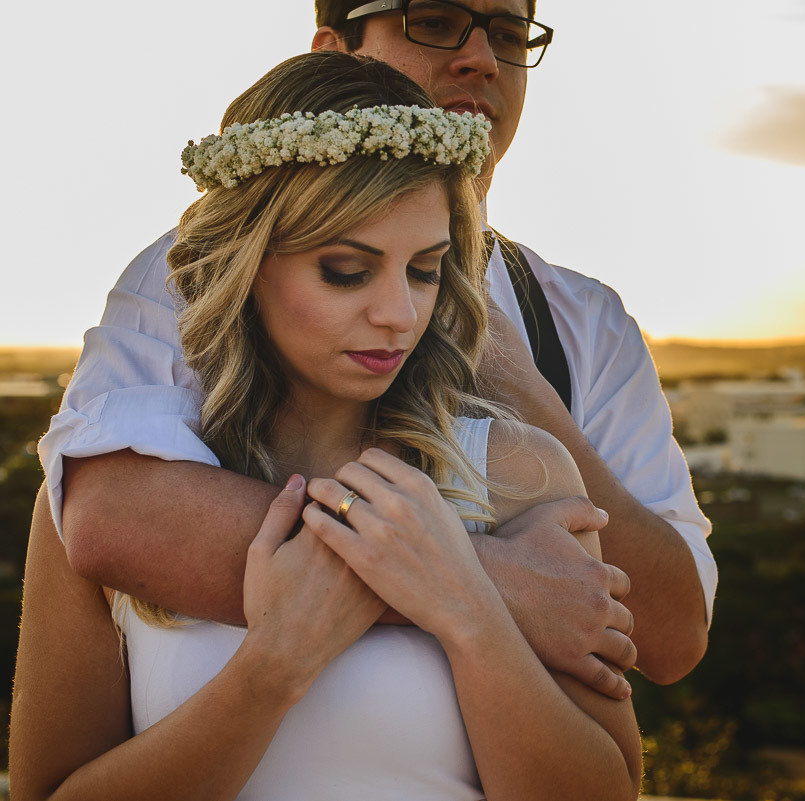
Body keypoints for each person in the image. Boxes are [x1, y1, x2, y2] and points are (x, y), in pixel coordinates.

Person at [11, 51, 642, 800]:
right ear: (243, 263)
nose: (399, 315)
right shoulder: (99, 492)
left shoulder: (514, 475)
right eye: (346, 270)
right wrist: (271, 672)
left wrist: (469, 605)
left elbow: (606, 789)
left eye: (425, 269)